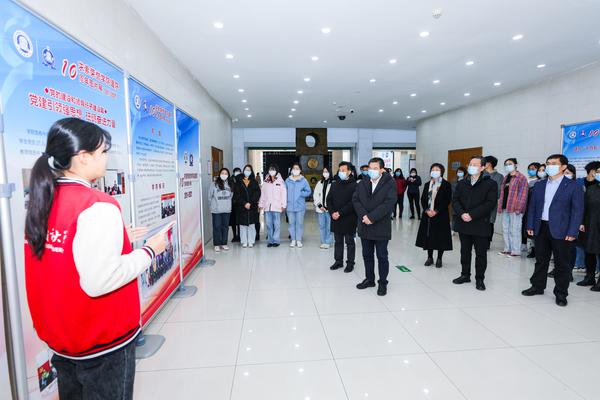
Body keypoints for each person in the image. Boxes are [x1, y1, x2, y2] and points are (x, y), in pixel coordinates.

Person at [24, 118, 167, 399]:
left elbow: (65, 254)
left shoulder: (44, 200)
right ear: (83, 157)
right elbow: (101, 280)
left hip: (63, 337)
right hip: (100, 337)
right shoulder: (97, 204)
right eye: (103, 152)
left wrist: (119, 237)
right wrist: (150, 251)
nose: (106, 158)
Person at [522, 154, 584, 307]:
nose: (549, 166)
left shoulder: (573, 186)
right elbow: (532, 207)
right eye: (548, 163)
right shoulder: (540, 185)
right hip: (541, 227)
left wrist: (572, 232)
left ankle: (561, 293)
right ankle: (537, 286)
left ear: (563, 167)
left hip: (562, 230)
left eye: (554, 163)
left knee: (562, 264)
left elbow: (577, 211)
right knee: (541, 260)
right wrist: (530, 225)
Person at [452, 156, 498, 290]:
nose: (471, 167)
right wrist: (462, 213)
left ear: (483, 167)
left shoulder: (490, 183)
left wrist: (472, 215)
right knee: (465, 251)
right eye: (470, 164)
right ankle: (465, 275)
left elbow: (490, 203)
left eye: (475, 164)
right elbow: (455, 200)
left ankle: (480, 279)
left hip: (480, 223)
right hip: (464, 222)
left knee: (481, 254)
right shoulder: (462, 183)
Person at [352, 157, 397, 296]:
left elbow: (389, 203)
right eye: (370, 168)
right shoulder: (363, 182)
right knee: (367, 255)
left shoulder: (390, 183)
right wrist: (364, 216)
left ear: (382, 169)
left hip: (380, 225)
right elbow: (356, 200)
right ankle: (369, 279)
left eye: (375, 168)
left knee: (382, 256)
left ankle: (382, 282)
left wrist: (372, 217)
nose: (372, 171)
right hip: (365, 224)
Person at [415, 163, 453, 268]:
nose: (434, 171)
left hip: (441, 214)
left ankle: (439, 258)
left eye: (437, 169)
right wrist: (427, 210)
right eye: (433, 169)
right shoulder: (428, 184)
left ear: (441, 172)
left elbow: (447, 200)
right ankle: (430, 257)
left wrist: (436, 211)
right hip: (428, 215)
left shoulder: (446, 184)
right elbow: (423, 199)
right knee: (429, 236)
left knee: (441, 236)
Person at [327, 162, 358, 272]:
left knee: (349, 242)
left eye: (343, 170)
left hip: (349, 218)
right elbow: (329, 200)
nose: (341, 172)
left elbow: (353, 203)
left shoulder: (355, 185)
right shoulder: (334, 184)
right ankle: (338, 261)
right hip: (336, 218)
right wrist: (332, 213)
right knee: (338, 241)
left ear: (349, 171)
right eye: (340, 170)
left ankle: (350, 263)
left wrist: (339, 213)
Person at [497, 158, 529, 257]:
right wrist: (500, 206)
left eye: (510, 164)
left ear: (516, 165)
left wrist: (519, 208)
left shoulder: (521, 177)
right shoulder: (506, 177)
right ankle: (507, 249)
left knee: (515, 229)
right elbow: (502, 193)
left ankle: (515, 251)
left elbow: (523, 194)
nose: (507, 166)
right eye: (506, 164)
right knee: (505, 229)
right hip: (505, 207)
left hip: (515, 208)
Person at [578, 166, 600, 290]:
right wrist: (581, 222)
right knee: (589, 251)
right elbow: (583, 207)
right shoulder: (591, 189)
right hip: (590, 225)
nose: (598, 174)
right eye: (598, 172)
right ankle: (589, 277)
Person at [258, 164, 287, 247]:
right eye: (270, 169)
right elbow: (263, 194)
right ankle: (270, 241)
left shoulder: (280, 181)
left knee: (277, 224)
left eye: (273, 169)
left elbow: (284, 194)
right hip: (267, 206)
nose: (272, 171)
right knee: (268, 224)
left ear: (276, 170)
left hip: (277, 206)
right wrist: (261, 204)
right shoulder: (266, 181)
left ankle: (276, 241)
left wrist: (283, 205)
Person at [233, 165, 261, 248]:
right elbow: (237, 195)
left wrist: (250, 203)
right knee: (243, 225)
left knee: (251, 225)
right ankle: (244, 241)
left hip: (252, 206)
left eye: (249, 170)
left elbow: (257, 193)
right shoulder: (239, 182)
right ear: (243, 170)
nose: (247, 171)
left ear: (251, 171)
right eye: (246, 169)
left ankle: (251, 241)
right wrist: (244, 203)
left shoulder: (254, 181)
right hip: (242, 207)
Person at [285, 163, 312, 247]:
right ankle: (293, 239)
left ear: (300, 170)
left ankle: (299, 240)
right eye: (294, 168)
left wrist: (300, 193)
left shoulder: (303, 180)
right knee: (291, 224)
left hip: (300, 206)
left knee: (299, 224)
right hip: (290, 206)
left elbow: (308, 191)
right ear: (291, 170)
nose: (295, 170)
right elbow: (284, 192)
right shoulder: (288, 180)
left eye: (297, 168)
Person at [209, 168, 234, 252]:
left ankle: (224, 243)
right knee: (217, 227)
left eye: (226, 173)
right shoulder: (214, 184)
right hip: (216, 210)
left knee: (225, 227)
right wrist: (213, 206)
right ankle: (217, 244)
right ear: (220, 174)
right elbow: (209, 196)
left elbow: (231, 196)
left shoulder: (230, 184)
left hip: (226, 209)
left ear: (228, 175)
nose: (224, 174)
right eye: (222, 173)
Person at [483, 155, 504, 249]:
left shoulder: (499, 176)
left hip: (491, 204)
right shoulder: (481, 174)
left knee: (490, 222)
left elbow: (499, 191)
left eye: (485, 162)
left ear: (489, 164)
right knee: (480, 223)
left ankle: (487, 243)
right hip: (479, 203)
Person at [523, 162, 541, 258]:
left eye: (533, 169)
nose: (531, 171)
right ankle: (532, 249)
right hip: (531, 208)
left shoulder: (546, 183)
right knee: (531, 231)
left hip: (541, 211)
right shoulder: (531, 183)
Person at [313, 167, 333, 249]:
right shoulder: (319, 183)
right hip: (320, 209)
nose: (325, 173)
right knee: (322, 226)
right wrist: (320, 205)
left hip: (329, 209)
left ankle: (328, 242)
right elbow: (315, 195)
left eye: (327, 171)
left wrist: (329, 207)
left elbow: (334, 196)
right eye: (324, 171)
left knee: (329, 226)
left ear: (330, 172)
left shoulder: (333, 183)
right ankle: (323, 241)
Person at [229, 167, 242, 242]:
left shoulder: (242, 179)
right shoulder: (230, 180)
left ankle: (240, 235)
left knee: (239, 220)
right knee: (233, 221)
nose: (237, 173)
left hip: (240, 203)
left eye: (238, 171)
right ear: (233, 173)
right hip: (232, 203)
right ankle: (234, 236)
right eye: (236, 171)